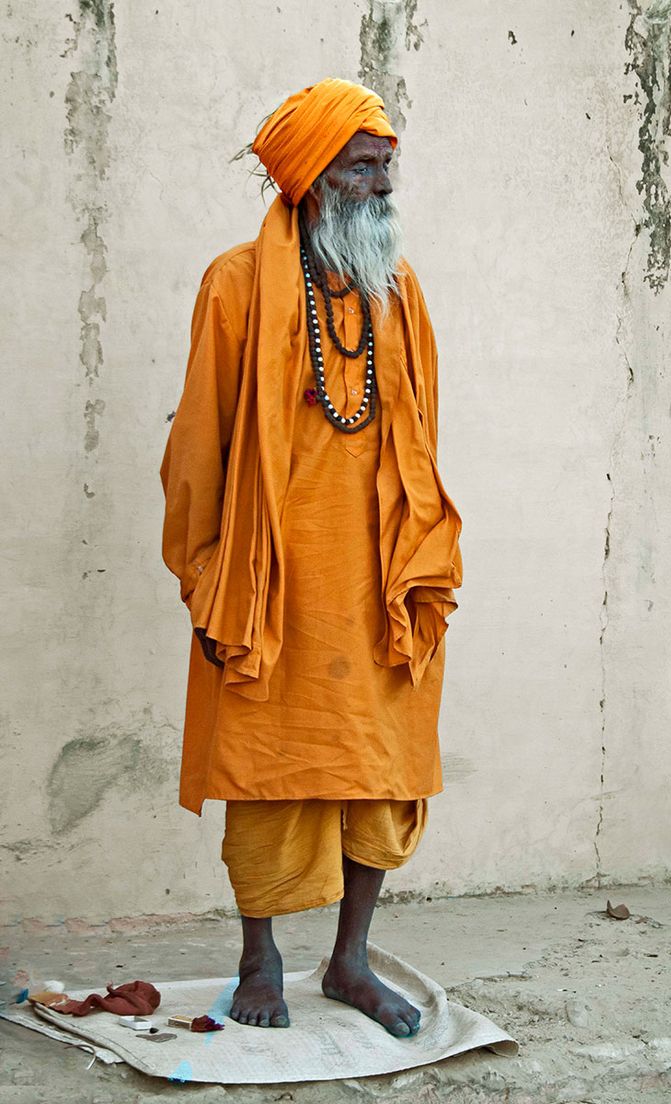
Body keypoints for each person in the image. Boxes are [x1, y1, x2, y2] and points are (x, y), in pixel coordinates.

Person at [160, 77, 462, 1038]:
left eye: (386, 166)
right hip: (273, 584)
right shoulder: (237, 285)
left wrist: (424, 565)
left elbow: (422, 442)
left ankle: (351, 962)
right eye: (362, 166)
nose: (381, 184)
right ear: (311, 180)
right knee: (268, 770)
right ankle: (260, 962)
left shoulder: (399, 290)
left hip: (380, 578)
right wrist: (208, 580)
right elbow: (197, 451)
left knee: (381, 768)